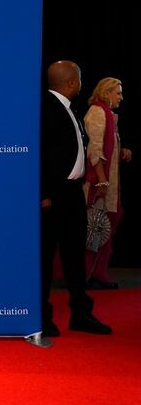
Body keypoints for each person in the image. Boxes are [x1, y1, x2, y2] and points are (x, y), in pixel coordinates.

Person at [40, 60, 111, 338]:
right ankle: (43, 317)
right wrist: (43, 194)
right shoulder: (46, 108)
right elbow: (39, 154)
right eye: (79, 79)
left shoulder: (71, 110)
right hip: (52, 197)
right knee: (45, 259)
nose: (81, 84)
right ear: (71, 83)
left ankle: (81, 313)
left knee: (74, 257)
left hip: (72, 195)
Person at [82, 77, 132, 289]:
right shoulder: (97, 112)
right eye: (118, 92)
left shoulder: (108, 114)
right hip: (100, 184)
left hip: (109, 184)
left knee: (103, 227)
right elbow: (95, 150)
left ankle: (97, 273)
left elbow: (108, 148)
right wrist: (102, 181)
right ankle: (88, 274)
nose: (121, 97)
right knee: (96, 227)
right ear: (106, 93)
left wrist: (122, 151)